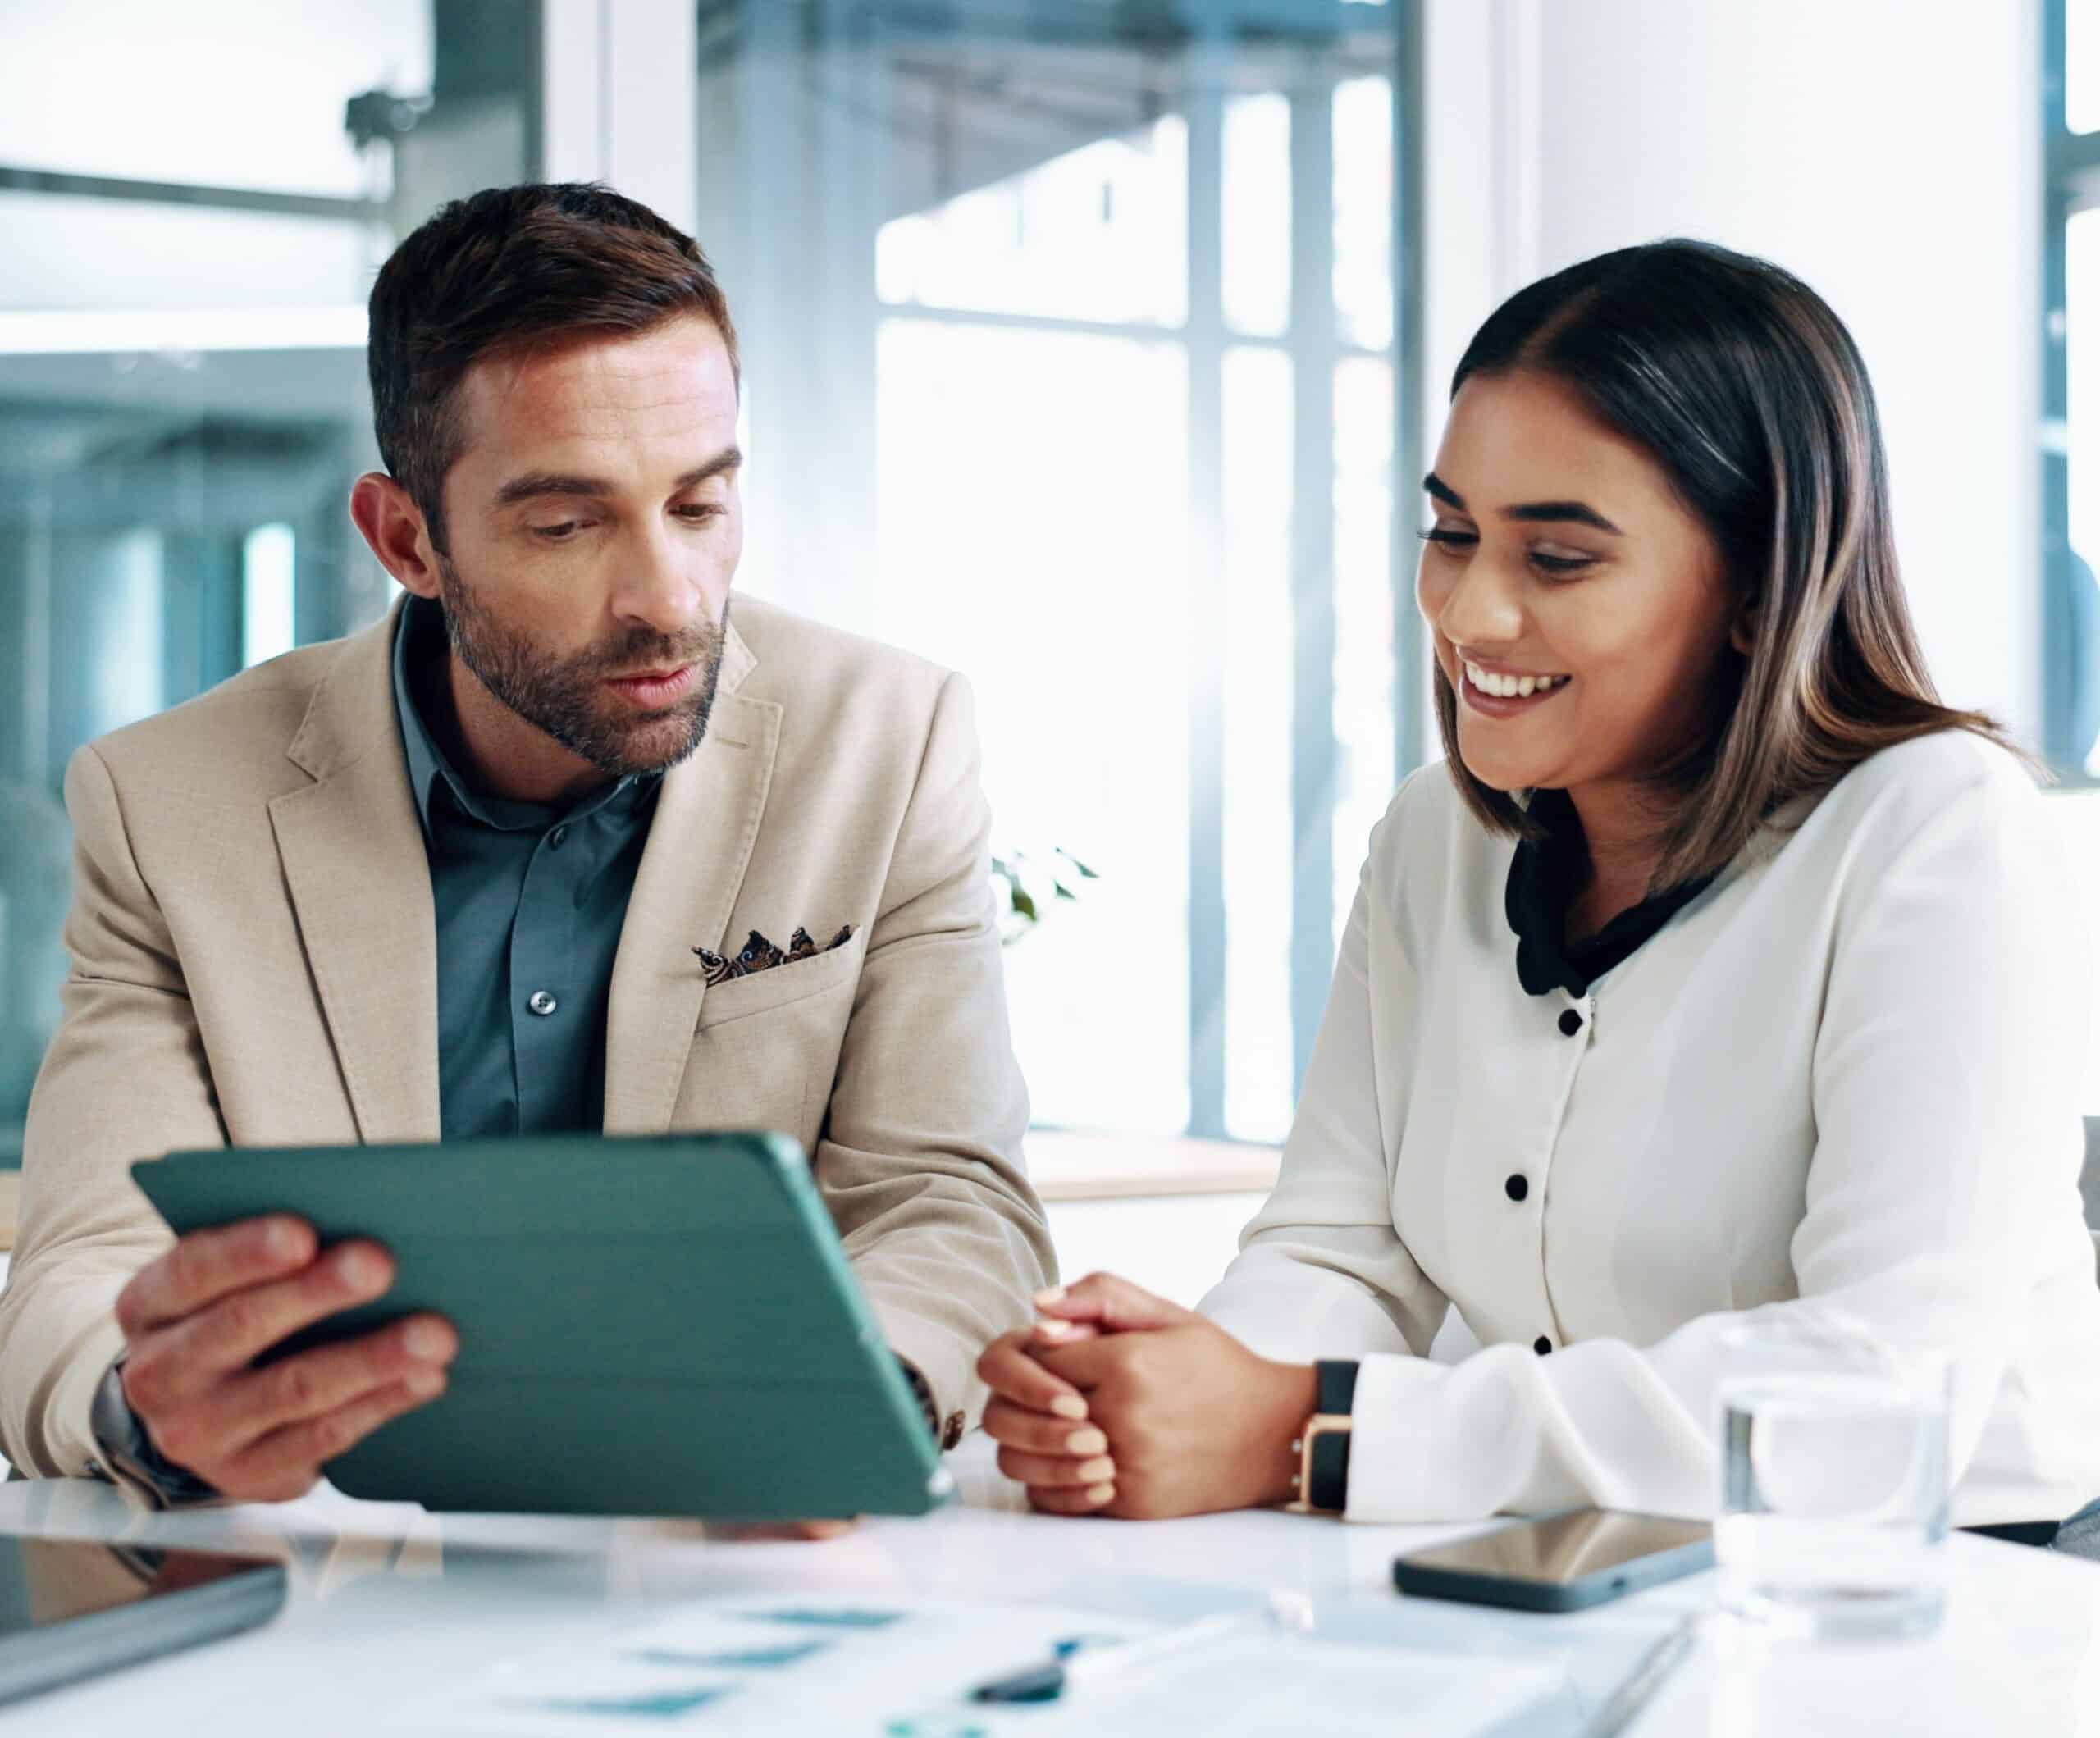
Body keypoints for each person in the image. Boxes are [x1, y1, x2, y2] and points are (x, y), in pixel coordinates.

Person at [976, 239, 2100, 1539]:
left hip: (1947, 1584)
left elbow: (1874, 1394)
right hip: (1564, 1568)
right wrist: (1176, 1395)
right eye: (1450, 532)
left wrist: (1304, 1428)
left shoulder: (1937, 831)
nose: (1471, 614)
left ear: (1754, 586)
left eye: (1557, 560)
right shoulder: (1428, 840)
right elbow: (1341, 1253)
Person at [0, 183, 1053, 1509]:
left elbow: (950, 1202)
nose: (670, 600)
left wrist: (856, 1407)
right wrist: (149, 1407)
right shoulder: (167, 806)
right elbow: (80, 1271)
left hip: (756, 1560)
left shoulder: (888, 742)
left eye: (700, 504)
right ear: (406, 540)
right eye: (567, 524)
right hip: (346, 1585)